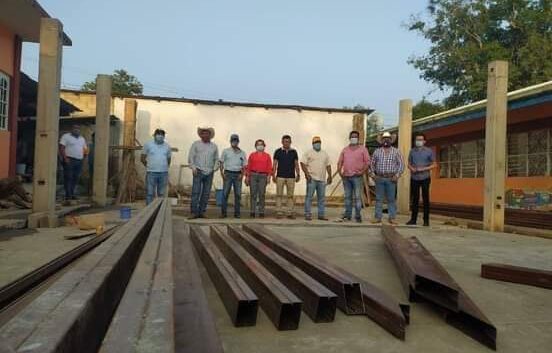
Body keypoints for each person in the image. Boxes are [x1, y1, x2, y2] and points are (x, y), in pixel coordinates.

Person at [370, 131, 405, 225]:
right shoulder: (377, 151)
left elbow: (401, 164)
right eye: (384, 139)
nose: (386, 140)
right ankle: (377, 217)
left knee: (391, 199)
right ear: (382, 140)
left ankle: (392, 218)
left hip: (391, 179)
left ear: (391, 140)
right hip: (379, 178)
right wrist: (373, 175)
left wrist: (397, 176)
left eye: (388, 139)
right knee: (378, 199)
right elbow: (371, 164)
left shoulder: (396, 151)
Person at [337, 131, 370, 223]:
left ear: (358, 138)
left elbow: (367, 162)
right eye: (352, 136)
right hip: (346, 177)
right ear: (349, 138)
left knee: (357, 197)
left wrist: (362, 172)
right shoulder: (345, 150)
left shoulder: (363, 149)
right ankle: (347, 215)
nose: (353, 138)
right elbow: (340, 161)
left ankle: (358, 216)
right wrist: (340, 172)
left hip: (357, 177)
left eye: (355, 137)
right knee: (347, 197)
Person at [188, 127, 219, 218]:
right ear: (201, 135)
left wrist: (214, 168)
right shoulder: (196, 144)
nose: (205, 135)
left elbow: (216, 159)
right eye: (203, 133)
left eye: (207, 133)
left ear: (210, 135)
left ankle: (202, 212)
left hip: (209, 172)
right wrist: (193, 167)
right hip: (198, 171)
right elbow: (191, 157)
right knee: (195, 192)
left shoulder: (214, 146)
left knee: (206, 193)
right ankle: (194, 212)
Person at [300, 136, 332, 221]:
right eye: (316, 142)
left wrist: (330, 175)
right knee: (309, 197)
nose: (317, 143)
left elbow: (328, 165)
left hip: (322, 179)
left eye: (319, 142)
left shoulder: (324, 153)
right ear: (313, 144)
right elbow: (302, 163)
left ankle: (321, 215)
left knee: (321, 198)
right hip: (312, 178)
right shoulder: (308, 153)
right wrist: (306, 174)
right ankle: (307, 214)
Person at [407, 133, 435, 226]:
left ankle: (426, 220)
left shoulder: (429, 151)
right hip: (414, 178)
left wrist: (423, 169)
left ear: (424, 141)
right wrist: (411, 168)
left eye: (420, 140)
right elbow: (409, 163)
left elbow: (434, 164)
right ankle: (413, 220)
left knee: (426, 199)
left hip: (425, 178)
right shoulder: (412, 151)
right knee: (415, 199)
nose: (418, 141)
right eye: (417, 140)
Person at [219, 134, 247, 218]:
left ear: (238, 142)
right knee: (225, 194)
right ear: (230, 141)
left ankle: (237, 214)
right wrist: (222, 173)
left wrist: (242, 175)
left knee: (238, 195)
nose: (234, 142)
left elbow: (244, 166)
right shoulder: (226, 151)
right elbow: (221, 162)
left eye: (236, 140)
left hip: (238, 175)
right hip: (228, 174)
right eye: (233, 140)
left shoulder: (242, 153)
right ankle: (223, 213)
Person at [141, 129, 172, 205]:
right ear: (154, 135)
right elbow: (142, 158)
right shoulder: (148, 144)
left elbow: (168, 159)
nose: (160, 136)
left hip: (163, 173)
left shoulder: (167, 146)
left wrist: (164, 167)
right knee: (150, 193)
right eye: (158, 134)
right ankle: (148, 211)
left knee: (161, 194)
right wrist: (149, 166)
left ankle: (159, 210)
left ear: (164, 136)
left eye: (162, 135)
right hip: (151, 173)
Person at [273, 135, 300, 219]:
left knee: (290, 196)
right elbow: (274, 164)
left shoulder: (294, 152)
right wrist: (273, 174)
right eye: (285, 141)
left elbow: (296, 164)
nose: (286, 143)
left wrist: (298, 174)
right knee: (279, 195)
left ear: (290, 142)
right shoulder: (278, 151)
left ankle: (289, 212)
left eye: (288, 141)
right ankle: (279, 212)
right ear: (282, 142)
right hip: (280, 176)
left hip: (291, 177)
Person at [59, 124, 88, 202]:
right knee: (68, 177)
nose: (76, 130)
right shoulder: (66, 136)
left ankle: (72, 193)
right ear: (71, 129)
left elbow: (85, 149)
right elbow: (62, 148)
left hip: (79, 160)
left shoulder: (82, 139)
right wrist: (65, 158)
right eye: (75, 128)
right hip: (69, 160)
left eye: (78, 128)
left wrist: (84, 157)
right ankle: (68, 195)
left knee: (76, 177)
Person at [246, 139, 272, 218]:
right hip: (253, 175)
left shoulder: (267, 156)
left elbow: (269, 167)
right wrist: (247, 177)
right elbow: (248, 167)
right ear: (255, 146)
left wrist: (269, 176)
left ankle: (261, 212)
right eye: (258, 144)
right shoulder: (252, 155)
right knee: (253, 194)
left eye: (261, 144)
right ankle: (252, 211)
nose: (260, 146)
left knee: (262, 194)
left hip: (263, 176)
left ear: (264, 146)